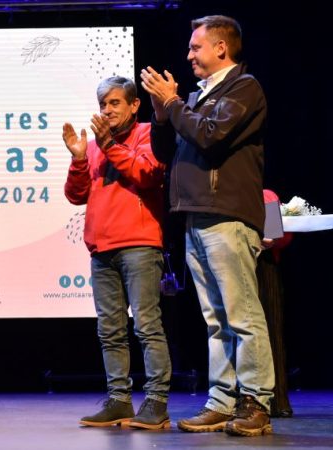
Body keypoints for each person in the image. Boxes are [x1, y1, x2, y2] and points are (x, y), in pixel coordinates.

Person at [141, 15, 274, 437]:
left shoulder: (243, 88)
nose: (189, 55)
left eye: (196, 48)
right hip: (196, 214)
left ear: (221, 48)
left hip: (228, 215)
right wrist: (164, 114)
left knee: (242, 314)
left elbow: (212, 136)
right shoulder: (198, 96)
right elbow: (169, 152)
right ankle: (222, 400)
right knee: (215, 318)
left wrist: (177, 105)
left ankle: (256, 401)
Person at [63, 77, 171, 430]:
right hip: (101, 248)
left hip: (139, 245)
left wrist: (108, 144)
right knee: (110, 330)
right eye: (103, 105)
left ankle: (156, 402)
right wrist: (80, 159)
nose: (107, 111)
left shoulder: (146, 134)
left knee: (146, 326)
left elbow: (147, 173)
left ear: (134, 105)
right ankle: (119, 401)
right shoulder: (95, 146)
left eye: (114, 103)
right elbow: (77, 195)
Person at [259, 189, 294, 418]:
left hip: (265, 266)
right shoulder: (227, 196)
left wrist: (269, 238)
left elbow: (278, 236)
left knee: (272, 333)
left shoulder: (266, 196)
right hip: (235, 263)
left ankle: (278, 399)